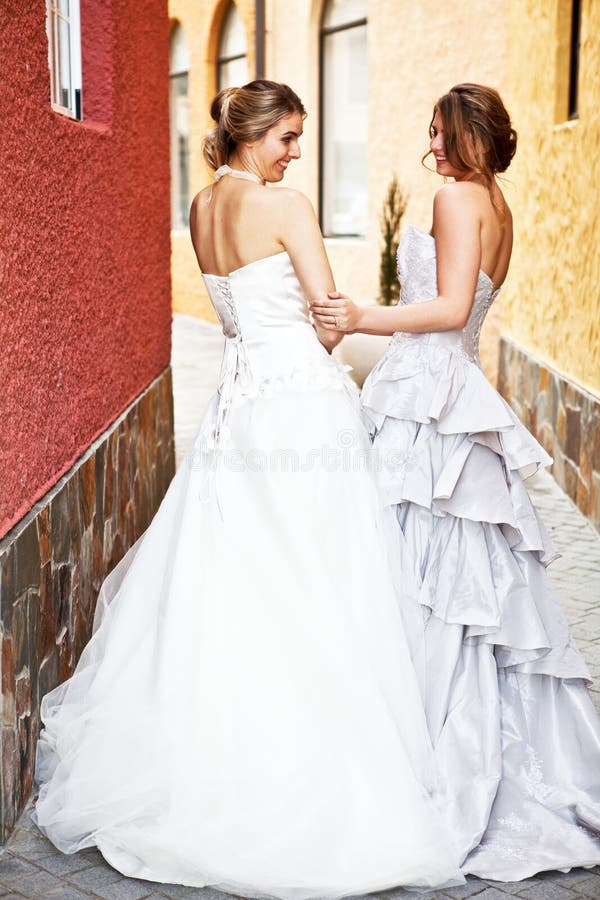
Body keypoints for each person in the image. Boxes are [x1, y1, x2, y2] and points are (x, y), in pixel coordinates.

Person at [32, 80, 464, 897]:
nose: (296, 153)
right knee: (321, 587)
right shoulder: (287, 208)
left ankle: (214, 761)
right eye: (289, 137)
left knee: (232, 588)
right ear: (254, 132)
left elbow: (234, 313)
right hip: (301, 408)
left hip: (235, 417)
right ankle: (315, 770)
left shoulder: (200, 209)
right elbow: (327, 316)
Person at [311, 82, 600, 881]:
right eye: (431, 135)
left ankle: (426, 758)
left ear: (472, 137)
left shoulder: (454, 199)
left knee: (421, 577)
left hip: (428, 398)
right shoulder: (498, 206)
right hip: (452, 392)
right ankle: (473, 747)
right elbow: (466, 306)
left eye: (441, 134)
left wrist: (360, 317)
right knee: (468, 585)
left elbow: (443, 310)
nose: (430, 147)